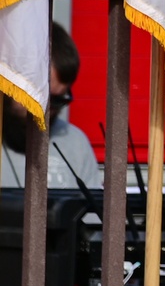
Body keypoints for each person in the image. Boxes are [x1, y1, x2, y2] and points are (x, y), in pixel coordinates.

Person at [1, 22, 102, 190]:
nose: (46, 110)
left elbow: (94, 216)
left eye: (57, 100)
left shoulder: (75, 143)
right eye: (39, 97)